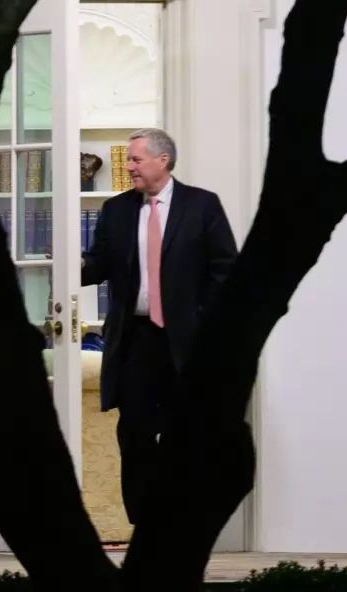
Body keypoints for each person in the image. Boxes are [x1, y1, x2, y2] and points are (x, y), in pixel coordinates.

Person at [82, 127, 238, 525]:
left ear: (162, 160)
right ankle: (145, 521)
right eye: (129, 160)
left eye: (136, 159)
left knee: (183, 431)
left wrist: (204, 320)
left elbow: (225, 270)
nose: (129, 167)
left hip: (185, 340)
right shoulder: (116, 210)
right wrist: (66, 263)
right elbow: (98, 265)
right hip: (134, 340)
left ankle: (179, 517)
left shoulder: (201, 205)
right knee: (133, 432)